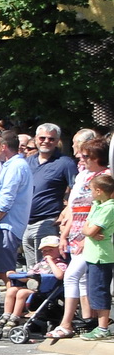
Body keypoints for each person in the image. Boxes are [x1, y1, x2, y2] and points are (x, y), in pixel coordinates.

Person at [52, 137, 108, 338]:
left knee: (71, 275)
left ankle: (66, 323)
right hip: (76, 229)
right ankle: (87, 319)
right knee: (82, 278)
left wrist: (86, 239)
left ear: (97, 157)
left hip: (91, 234)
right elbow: (73, 207)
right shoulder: (84, 176)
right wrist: (65, 234)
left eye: (86, 156)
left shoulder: (105, 177)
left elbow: (101, 210)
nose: (82, 159)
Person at [26, 123, 76, 267]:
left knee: (46, 267)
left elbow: (76, 190)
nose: (46, 141)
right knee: (31, 269)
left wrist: (66, 211)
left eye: (51, 139)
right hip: (26, 223)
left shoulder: (65, 163)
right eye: (42, 138)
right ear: (36, 139)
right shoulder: (28, 161)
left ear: (57, 141)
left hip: (48, 221)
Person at [0, 129, 32, 278]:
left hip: (7, 225)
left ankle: (20, 296)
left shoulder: (16, 166)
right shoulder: (10, 165)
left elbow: (6, 200)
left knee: (5, 271)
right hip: (5, 224)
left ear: (3, 146)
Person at [79, 172, 114, 341]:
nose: (90, 192)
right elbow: (86, 228)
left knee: (100, 291)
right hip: (92, 255)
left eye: (91, 189)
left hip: (102, 256)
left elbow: (90, 230)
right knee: (94, 291)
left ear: (99, 190)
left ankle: (103, 327)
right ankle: (101, 325)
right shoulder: (97, 204)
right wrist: (88, 231)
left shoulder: (109, 208)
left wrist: (89, 231)